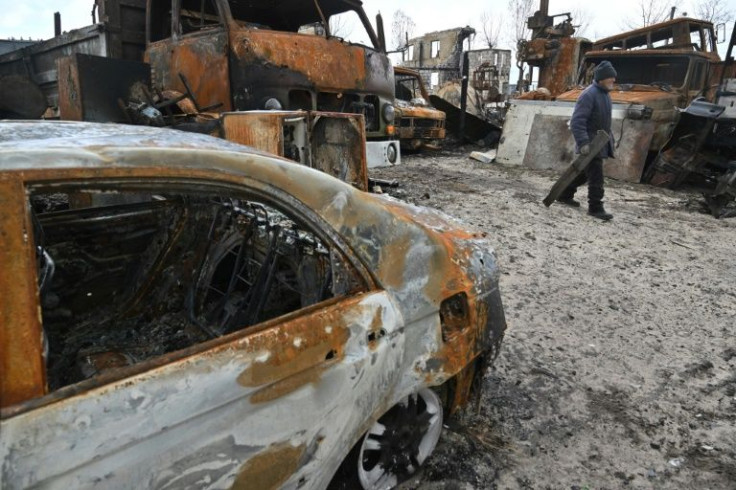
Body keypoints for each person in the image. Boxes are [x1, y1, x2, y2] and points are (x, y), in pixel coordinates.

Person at [557, 60, 617, 221]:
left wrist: (610, 141)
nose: (613, 80)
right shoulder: (589, 95)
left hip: (599, 143)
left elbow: (604, 122)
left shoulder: (605, 95)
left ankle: (564, 194)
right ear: (601, 78)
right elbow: (577, 121)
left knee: (584, 173)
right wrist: (583, 143)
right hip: (590, 144)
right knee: (596, 176)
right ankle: (595, 207)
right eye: (610, 77)